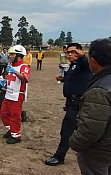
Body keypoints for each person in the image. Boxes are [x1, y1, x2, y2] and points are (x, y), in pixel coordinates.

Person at [45, 43, 93, 166]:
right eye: (68, 52)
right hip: (72, 103)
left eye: (74, 52)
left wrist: (81, 55)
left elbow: (85, 61)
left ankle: (59, 156)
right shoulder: (74, 65)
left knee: (67, 130)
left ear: (80, 52)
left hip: (78, 103)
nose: (70, 54)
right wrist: (62, 79)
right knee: (79, 130)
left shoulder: (84, 64)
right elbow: (75, 78)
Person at [69, 38, 111, 175]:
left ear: (93, 61)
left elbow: (91, 129)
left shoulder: (99, 90)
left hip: (99, 151)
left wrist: (74, 141)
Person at [0, 45, 30, 144]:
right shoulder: (11, 65)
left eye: (12, 54)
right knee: (4, 113)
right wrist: (3, 81)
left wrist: (15, 72)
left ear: (19, 55)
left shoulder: (24, 66)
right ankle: (11, 130)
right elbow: (10, 78)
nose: (10, 56)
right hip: (8, 93)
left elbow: (25, 79)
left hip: (17, 95)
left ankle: (16, 135)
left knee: (15, 115)